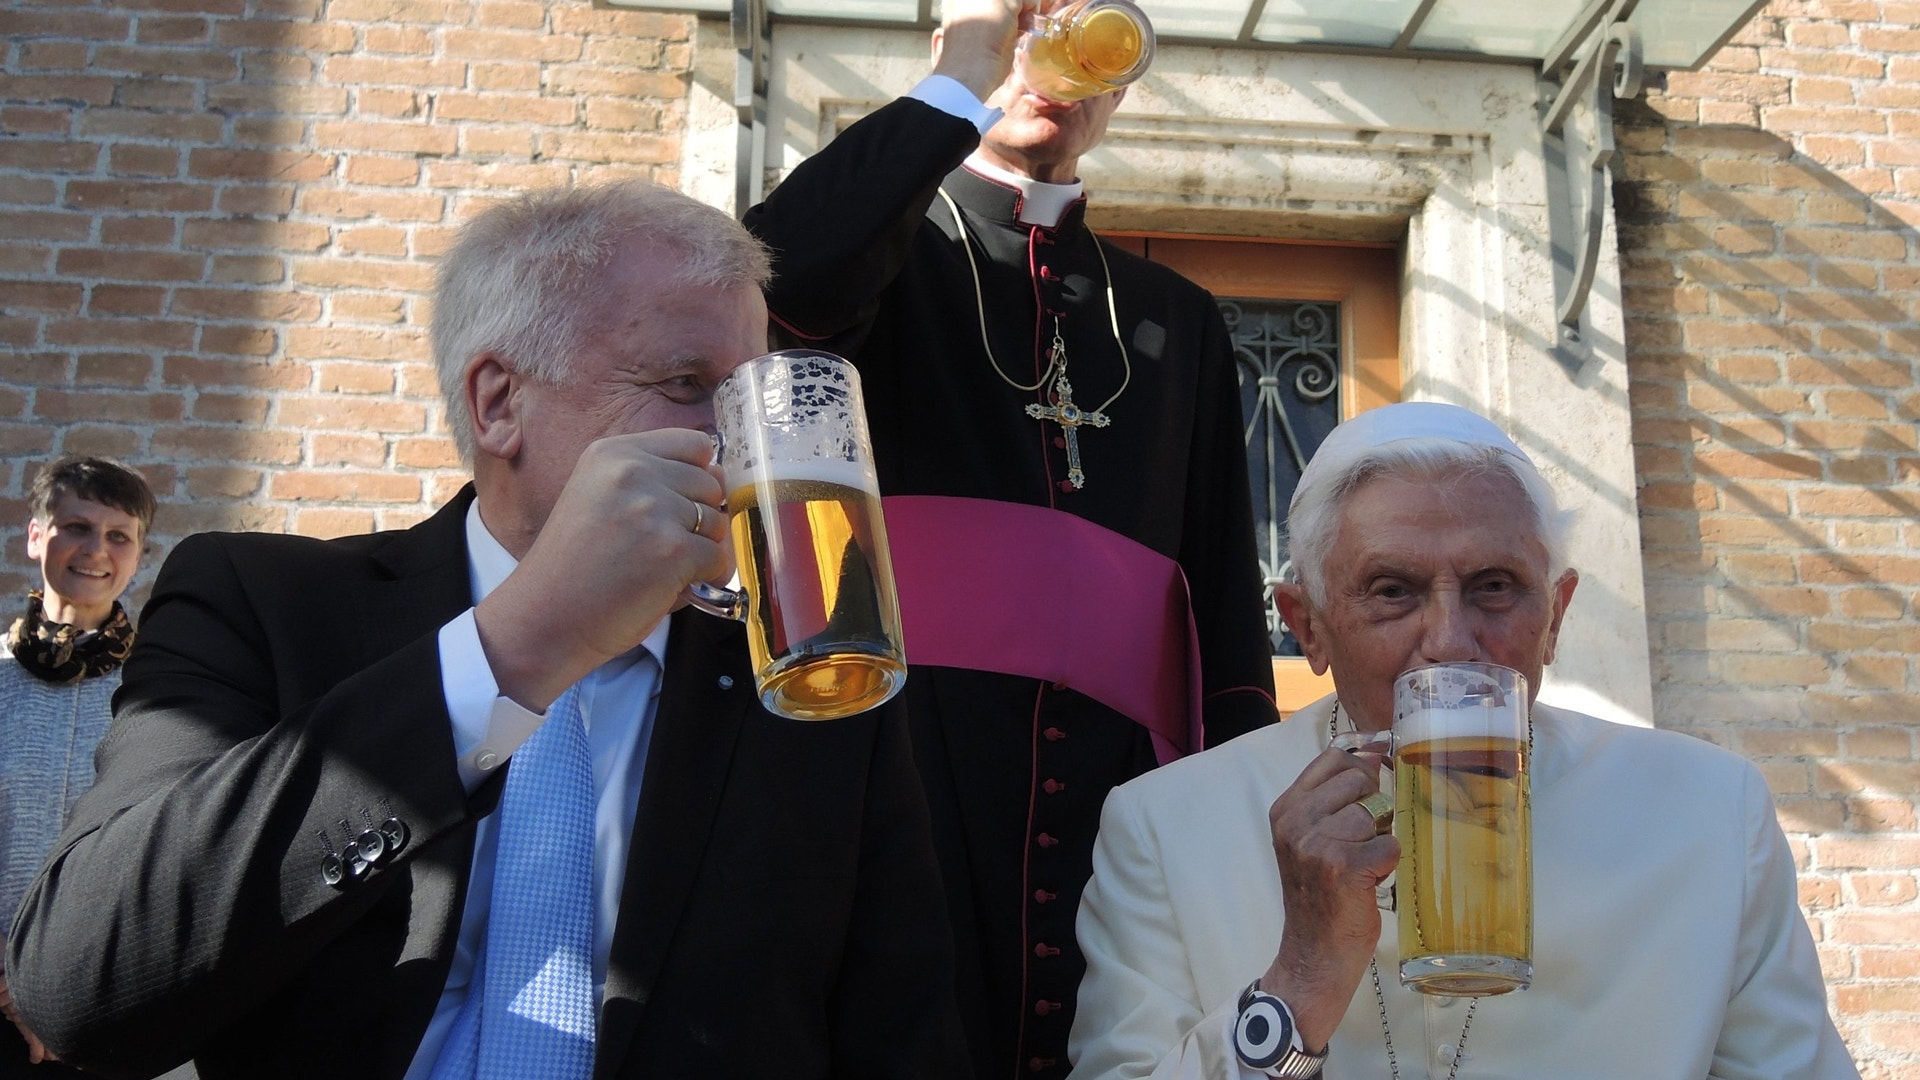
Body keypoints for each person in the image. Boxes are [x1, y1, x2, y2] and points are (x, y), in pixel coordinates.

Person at [5, 180, 967, 1080]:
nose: (744, 439)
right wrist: (517, 645)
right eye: (687, 383)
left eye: (753, 394)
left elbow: (906, 1034)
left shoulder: (806, 671)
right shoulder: (262, 599)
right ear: (500, 402)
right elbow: (83, 987)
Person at [742, 0, 1278, 1074]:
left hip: (1122, 800)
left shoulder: (1177, 314)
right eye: (1024, 12)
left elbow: (1221, 591)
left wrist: (1239, 816)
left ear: (1121, 82)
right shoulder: (882, 262)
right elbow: (778, 280)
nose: (1054, 52)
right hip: (891, 762)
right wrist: (959, 84)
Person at [1068, 401, 1860, 1080]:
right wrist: (1299, 981)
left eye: (1494, 588)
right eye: (1392, 591)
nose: (1449, 641)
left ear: (1556, 615)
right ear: (1308, 626)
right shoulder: (1166, 827)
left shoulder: (1710, 813)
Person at [0, 456, 156, 1075]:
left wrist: (65, 992)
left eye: (119, 535)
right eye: (76, 527)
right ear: (36, 534)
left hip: (111, 1009)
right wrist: (13, 987)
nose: (97, 549)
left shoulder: (164, 691)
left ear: (139, 555)